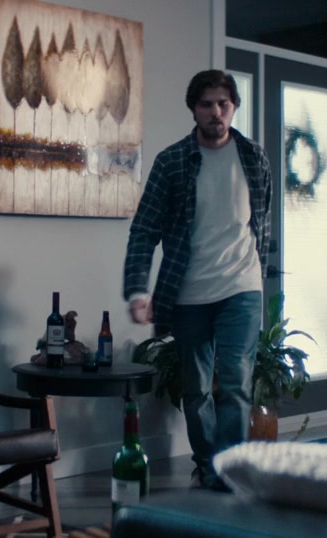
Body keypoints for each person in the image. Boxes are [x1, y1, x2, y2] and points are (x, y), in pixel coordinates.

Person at [123, 70, 271, 492]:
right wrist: (138, 290)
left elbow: (262, 222)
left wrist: (260, 272)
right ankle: (208, 465)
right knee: (197, 389)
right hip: (189, 292)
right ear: (194, 110)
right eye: (206, 104)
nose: (215, 112)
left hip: (241, 286)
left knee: (237, 382)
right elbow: (144, 229)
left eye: (223, 103)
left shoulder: (254, 158)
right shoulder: (172, 162)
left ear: (234, 107)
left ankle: (230, 473)